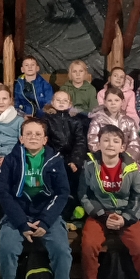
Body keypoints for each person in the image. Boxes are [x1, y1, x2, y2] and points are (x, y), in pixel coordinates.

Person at [0, 118, 72, 279]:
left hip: (47, 216)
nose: (33, 137)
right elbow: (4, 193)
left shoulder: (55, 160)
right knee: (7, 248)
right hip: (18, 216)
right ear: (21, 138)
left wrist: (46, 222)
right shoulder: (11, 160)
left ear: (45, 139)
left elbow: (62, 193)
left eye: (38, 134)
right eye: (28, 134)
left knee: (61, 250)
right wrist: (21, 223)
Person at [78, 126, 140, 279]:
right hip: (100, 214)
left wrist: (126, 218)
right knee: (89, 246)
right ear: (98, 144)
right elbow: (84, 195)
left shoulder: (131, 167)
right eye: (106, 140)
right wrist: (102, 216)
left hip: (125, 215)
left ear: (122, 147)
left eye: (116, 141)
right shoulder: (90, 165)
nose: (110, 144)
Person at [42, 91, 87, 223]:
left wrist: (75, 160)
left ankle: (73, 212)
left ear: (70, 104)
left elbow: (80, 142)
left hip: (70, 158)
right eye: (58, 100)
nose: (61, 103)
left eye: (65, 100)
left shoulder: (75, 121)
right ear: (52, 102)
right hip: (53, 158)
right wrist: (53, 159)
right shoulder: (46, 120)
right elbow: (46, 142)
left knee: (74, 179)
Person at [87, 86, 140, 165]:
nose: (113, 103)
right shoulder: (97, 121)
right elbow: (93, 142)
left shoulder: (129, 122)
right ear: (104, 102)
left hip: (126, 162)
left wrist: (127, 158)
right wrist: (108, 157)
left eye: (116, 100)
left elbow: (135, 143)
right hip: (104, 161)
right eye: (110, 100)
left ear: (122, 102)